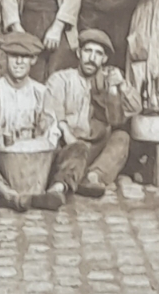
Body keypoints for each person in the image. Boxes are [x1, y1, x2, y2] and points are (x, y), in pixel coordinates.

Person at [0, 31, 65, 210]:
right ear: (5, 58)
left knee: (77, 149)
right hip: (2, 162)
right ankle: (5, 193)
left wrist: (31, 146)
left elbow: (50, 133)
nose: (19, 62)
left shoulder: (42, 93)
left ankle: (54, 191)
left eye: (25, 57)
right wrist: (9, 146)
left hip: (37, 161)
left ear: (33, 60)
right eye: (14, 56)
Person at [43, 28, 141, 198]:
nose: (91, 58)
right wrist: (69, 137)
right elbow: (52, 113)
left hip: (95, 149)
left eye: (98, 54)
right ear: (79, 54)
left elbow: (135, 107)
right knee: (75, 150)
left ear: (104, 59)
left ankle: (93, 177)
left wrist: (122, 85)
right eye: (88, 51)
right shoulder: (61, 79)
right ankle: (61, 186)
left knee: (121, 138)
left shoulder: (109, 82)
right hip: (67, 147)